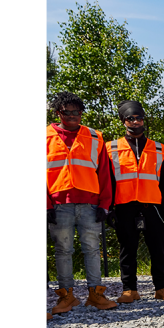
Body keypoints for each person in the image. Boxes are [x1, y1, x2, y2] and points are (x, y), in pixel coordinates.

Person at [46, 91, 117, 313]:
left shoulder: (95, 137)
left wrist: (105, 204)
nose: (73, 116)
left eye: (77, 112)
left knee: (92, 249)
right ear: (58, 113)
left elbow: (104, 173)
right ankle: (67, 297)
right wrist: (45, 205)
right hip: (59, 205)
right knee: (63, 250)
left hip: (90, 204)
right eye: (68, 112)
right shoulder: (44, 137)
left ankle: (96, 295)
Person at [109, 100, 164, 302]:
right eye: (130, 118)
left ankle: (161, 287)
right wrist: (108, 208)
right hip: (124, 206)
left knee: (158, 249)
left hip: (153, 206)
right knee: (127, 249)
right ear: (123, 121)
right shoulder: (111, 148)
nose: (136, 121)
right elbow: (108, 181)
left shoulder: (159, 149)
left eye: (139, 118)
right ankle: (129, 289)